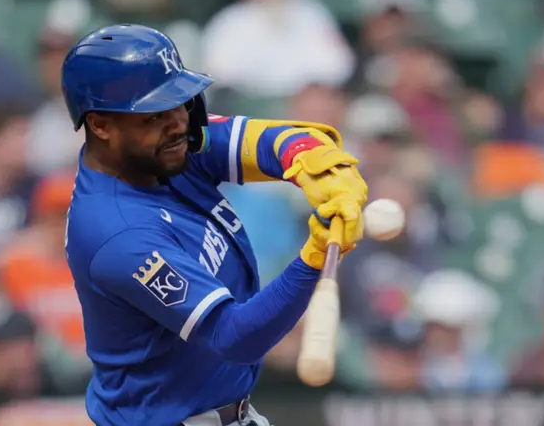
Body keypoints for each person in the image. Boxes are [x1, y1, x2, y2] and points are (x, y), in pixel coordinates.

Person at [62, 24, 368, 426]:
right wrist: (313, 259)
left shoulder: (158, 149)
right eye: (155, 114)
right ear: (101, 125)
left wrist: (313, 162)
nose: (178, 123)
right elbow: (234, 337)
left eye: (180, 103)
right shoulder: (118, 234)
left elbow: (262, 140)